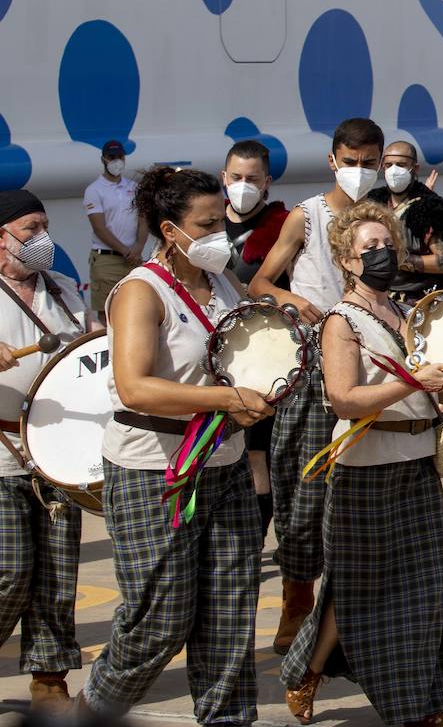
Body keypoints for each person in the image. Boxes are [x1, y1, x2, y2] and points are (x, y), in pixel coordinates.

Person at [78, 166, 273, 724]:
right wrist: (226, 398)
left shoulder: (225, 284)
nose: (221, 234)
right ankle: (89, 713)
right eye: (206, 224)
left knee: (230, 614)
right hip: (153, 473)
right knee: (159, 620)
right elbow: (135, 386)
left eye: (222, 221)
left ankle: (229, 719)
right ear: (170, 229)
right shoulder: (141, 291)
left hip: (225, 463)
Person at [281, 202, 443, 727]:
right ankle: (309, 669)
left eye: (386, 245)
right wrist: (414, 380)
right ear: (345, 258)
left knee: (423, 589)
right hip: (365, 468)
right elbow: (344, 399)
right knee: (358, 589)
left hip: (418, 461)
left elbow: (442, 392)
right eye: (369, 249)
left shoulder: (406, 311)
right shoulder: (342, 321)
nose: (382, 254)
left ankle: (420, 702)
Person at [250, 117, 384, 654]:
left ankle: (352, 614)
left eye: (368, 162)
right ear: (333, 161)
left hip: (372, 366)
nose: (359, 171)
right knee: (302, 489)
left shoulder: (383, 219)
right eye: (349, 162)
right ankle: (295, 602)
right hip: (311, 371)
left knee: (362, 497)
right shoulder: (306, 216)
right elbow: (258, 280)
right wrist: (291, 299)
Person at [0, 190, 88, 710]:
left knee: (58, 569)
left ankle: (50, 676)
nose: (42, 239)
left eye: (45, 227)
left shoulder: (62, 290)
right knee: (9, 568)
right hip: (3, 448)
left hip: (59, 451)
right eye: (30, 229)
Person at [221, 140, 289, 546]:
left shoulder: (282, 224)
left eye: (252, 179)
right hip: (211, 356)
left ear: (267, 183)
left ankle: (253, 540)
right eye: (235, 178)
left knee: (256, 454)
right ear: (222, 177)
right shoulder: (205, 220)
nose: (242, 186)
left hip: (263, 352)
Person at [366, 140, 443, 303]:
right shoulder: (372, 204)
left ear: (415, 168)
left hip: (418, 301)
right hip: (381, 299)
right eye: (389, 165)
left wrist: (399, 259)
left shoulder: (428, 209)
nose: (394, 170)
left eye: (401, 164)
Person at [84, 139, 146, 324]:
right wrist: (126, 251)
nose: (116, 160)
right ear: (103, 158)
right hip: (107, 260)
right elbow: (99, 228)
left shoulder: (134, 187)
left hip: (134, 258)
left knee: (138, 307)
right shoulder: (94, 190)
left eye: (120, 156)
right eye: (112, 157)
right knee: (108, 312)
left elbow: (144, 219)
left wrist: (138, 247)